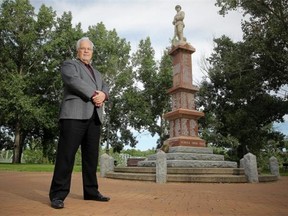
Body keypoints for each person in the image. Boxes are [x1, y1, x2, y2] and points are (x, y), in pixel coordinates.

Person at [49, 37, 110, 209]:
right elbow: (73, 81)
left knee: (91, 158)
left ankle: (91, 191)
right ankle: (58, 195)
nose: (85, 51)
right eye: (82, 49)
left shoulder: (97, 73)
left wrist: (104, 95)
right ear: (78, 51)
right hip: (74, 115)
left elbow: (105, 87)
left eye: (88, 49)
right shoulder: (70, 65)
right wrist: (95, 95)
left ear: (92, 52)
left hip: (95, 117)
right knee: (66, 156)